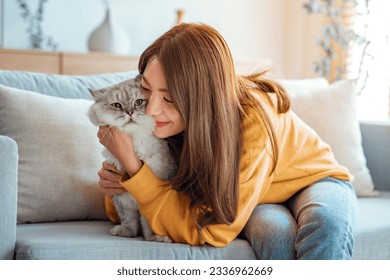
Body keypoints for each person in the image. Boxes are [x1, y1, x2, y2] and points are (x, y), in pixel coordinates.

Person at [96, 23, 357, 260]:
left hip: (314, 180)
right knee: (276, 234)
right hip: (258, 196)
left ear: (202, 96)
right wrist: (123, 177)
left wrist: (135, 170)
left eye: (169, 96)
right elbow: (130, 213)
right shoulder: (158, 120)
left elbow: (215, 230)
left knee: (326, 223)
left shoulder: (254, 117)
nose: (152, 109)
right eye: (146, 89)